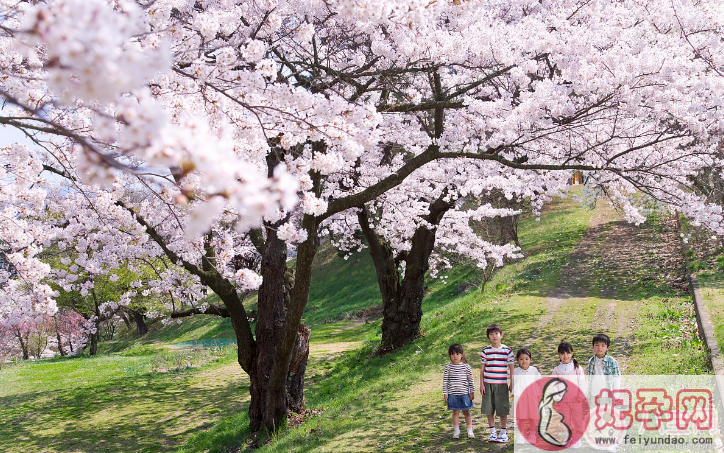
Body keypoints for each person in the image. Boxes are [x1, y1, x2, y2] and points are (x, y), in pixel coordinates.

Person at [480, 324, 515, 443]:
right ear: (488, 337)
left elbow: (511, 369)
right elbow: (482, 369)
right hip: (488, 384)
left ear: (501, 335)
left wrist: (512, 383)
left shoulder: (507, 351)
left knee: (502, 408)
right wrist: (481, 384)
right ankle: (492, 432)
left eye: (496, 333)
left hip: (501, 384)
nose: (494, 336)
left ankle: (503, 432)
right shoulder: (486, 351)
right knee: (489, 408)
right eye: (491, 334)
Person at [551, 342, 587, 449]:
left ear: (572, 353)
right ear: (558, 354)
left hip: (576, 400)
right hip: (563, 401)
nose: (565, 356)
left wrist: (581, 395)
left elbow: (582, 382)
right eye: (562, 353)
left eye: (568, 353)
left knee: (577, 419)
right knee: (566, 420)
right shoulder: (557, 370)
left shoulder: (577, 368)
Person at [443, 343, 475, 439]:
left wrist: (472, 392)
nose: (455, 356)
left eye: (457, 354)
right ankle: (456, 431)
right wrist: (445, 392)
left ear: (462, 354)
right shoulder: (448, 367)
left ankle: (470, 430)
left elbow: (471, 380)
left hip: (465, 394)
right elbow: (445, 381)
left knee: (466, 412)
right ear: (450, 355)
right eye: (452, 354)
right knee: (455, 412)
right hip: (453, 394)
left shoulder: (466, 367)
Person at [513, 348, 541, 444]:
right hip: (521, 397)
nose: (524, 361)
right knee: (522, 416)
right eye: (521, 359)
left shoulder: (534, 370)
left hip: (532, 396)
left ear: (530, 360)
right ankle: (521, 435)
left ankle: (533, 434)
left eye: (526, 358)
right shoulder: (516, 371)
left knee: (532, 416)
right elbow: (514, 382)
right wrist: (514, 394)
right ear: (517, 360)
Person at [586, 333, 621, 397]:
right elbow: (589, 378)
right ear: (593, 346)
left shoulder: (612, 362)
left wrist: (615, 394)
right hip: (594, 393)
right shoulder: (591, 361)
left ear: (607, 348)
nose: (599, 348)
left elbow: (617, 379)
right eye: (597, 345)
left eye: (603, 345)